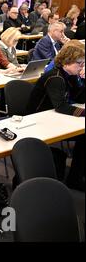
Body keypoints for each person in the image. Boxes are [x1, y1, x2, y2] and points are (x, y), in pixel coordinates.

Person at [27, 40, 85, 191]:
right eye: (79, 63)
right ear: (67, 62)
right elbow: (61, 106)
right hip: (37, 121)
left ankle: (77, 176)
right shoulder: (56, 77)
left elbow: (79, 98)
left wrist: (83, 81)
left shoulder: (68, 74)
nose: (81, 67)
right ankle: (75, 178)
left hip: (53, 118)